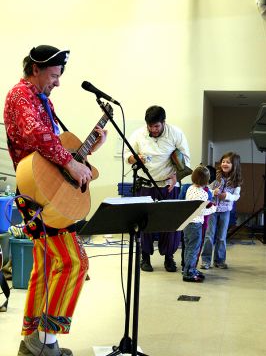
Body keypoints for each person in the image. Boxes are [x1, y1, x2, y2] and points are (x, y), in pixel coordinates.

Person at [4, 45, 107, 356]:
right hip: (38, 196)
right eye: (54, 75)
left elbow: (51, 154)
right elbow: (38, 137)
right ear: (35, 69)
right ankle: (46, 342)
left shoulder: (40, 100)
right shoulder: (21, 95)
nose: (58, 82)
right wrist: (73, 163)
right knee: (76, 263)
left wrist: (85, 153)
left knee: (46, 266)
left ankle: (31, 340)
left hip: (36, 195)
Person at [124, 105, 190, 272]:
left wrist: (176, 177)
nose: (153, 129)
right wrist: (135, 158)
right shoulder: (138, 134)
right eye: (150, 126)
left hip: (168, 185)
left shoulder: (176, 134)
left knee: (170, 223)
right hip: (145, 184)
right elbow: (127, 156)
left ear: (163, 123)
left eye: (156, 126)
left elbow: (186, 161)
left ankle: (169, 258)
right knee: (144, 223)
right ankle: (145, 257)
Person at [200, 152, 242, 270]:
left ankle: (219, 260)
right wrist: (214, 192)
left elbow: (236, 196)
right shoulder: (215, 176)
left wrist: (227, 196)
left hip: (225, 211)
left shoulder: (236, 181)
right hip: (212, 209)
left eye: (228, 162)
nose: (225, 164)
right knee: (209, 235)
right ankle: (206, 260)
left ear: (235, 165)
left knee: (222, 236)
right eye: (223, 161)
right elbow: (207, 190)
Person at [182, 166, 216, 282]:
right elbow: (201, 211)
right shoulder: (203, 194)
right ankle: (189, 273)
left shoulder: (190, 188)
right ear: (207, 180)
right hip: (195, 224)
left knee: (188, 247)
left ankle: (187, 268)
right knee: (194, 249)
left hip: (187, 223)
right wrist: (213, 209)